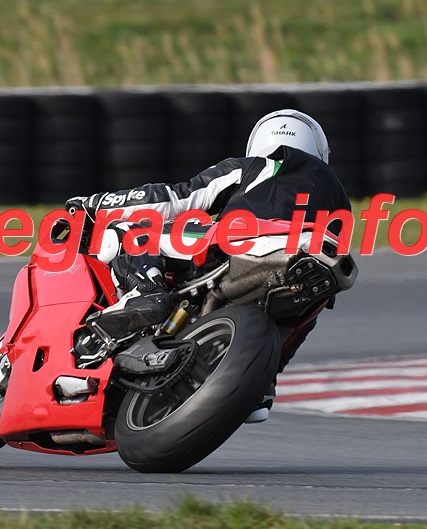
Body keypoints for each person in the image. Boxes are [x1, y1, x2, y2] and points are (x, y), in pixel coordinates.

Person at [65, 109, 351, 422]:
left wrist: (94, 204)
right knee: (312, 300)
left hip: (241, 240)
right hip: (302, 268)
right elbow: (312, 311)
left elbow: (178, 197)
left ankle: (147, 291)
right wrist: (266, 373)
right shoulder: (340, 201)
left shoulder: (258, 165)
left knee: (133, 230)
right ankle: (264, 383)